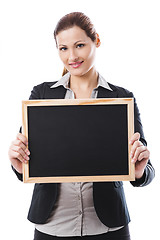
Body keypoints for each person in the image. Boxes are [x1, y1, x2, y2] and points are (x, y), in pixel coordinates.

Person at [8, 12, 155, 240]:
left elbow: (148, 170)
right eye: (63, 48)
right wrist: (18, 164)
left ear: (96, 40)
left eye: (79, 45)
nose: (72, 56)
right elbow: (28, 161)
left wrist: (139, 172)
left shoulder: (121, 98)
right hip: (52, 227)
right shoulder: (42, 94)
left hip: (108, 228)